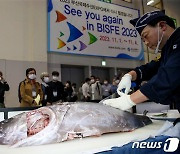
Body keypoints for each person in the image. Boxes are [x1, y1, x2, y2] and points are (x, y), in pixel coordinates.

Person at [103, 10, 180, 111]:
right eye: (143, 40)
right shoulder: (168, 50)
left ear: (162, 26)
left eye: (146, 36)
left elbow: (169, 76)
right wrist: (130, 75)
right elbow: (153, 67)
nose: (146, 43)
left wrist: (130, 100)